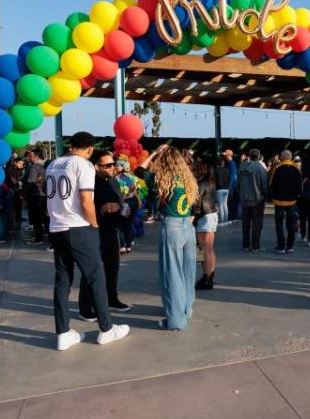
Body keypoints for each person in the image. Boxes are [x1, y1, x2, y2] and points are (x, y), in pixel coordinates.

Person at [44, 132, 129, 350]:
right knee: (96, 277)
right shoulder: (84, 165)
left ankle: (63, 332)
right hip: (78, 227)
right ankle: (107, 329)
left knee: (62, 280)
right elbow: (85, 200)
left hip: (56, 227)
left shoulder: (54, 164)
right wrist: (94, 224)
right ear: (90, 149)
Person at [139, 145, 199, 330]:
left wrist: (155, 152)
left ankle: (176, 321)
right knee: (188, 272)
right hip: (188, 227)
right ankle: (186, 309)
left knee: (172, 274)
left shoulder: (161, 179)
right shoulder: (187, 179)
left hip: (172, 226)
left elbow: (139, 169)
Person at [93, 152, 131, 312]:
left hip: (112, 229)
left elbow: (120, 201)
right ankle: (89, 305)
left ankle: (112, 299)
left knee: (112, 267)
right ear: (96, 166)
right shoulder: (90, 182)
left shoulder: (114, 181)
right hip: (95, 230)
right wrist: (102, 208)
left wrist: (125, 209)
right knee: (93, 270)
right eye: (107, 165)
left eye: (113, 164)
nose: (112, 167)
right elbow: (82, 206)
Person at [189, 157, 220, 289]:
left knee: (204, 249)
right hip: (211, 215)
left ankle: (207, 278)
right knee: (207, 249)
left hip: (204, 217)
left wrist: (191, 219)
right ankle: (208, 275)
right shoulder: (210, 182)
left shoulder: (201, 184)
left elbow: (197, 204)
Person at [269, 150, 302, 254]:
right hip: (292, 201)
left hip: (278, 202)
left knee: (279, 224)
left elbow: (271, 184)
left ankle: (281, 246)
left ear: (282, 158)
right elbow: (300, 187)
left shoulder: (277, 169)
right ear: (291, 158)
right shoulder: (296, 169)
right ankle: (290, 246)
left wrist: (272, 197)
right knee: (291, 224)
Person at [237, 148, 269, 252]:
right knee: (257, 224)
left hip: (244, 200)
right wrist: (266, 195)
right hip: (257, 200)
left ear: (249, 156)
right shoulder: (261, 169)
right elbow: (264, 185)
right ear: (259, 157)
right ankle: (255, 246)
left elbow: (238, 184)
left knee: (245, 223)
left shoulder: (241, 167)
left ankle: (245, 245)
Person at [23, 148, 49, 244]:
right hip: (44, 194)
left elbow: (31, 182)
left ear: (35, 156)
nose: (29, 157)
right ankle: (46, 236)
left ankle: (39, 238)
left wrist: (25, 194)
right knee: (45, 218)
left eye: (30, 155)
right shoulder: (46, 166)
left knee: (36, 218)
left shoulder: (34, 167)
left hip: (34, 195)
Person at [213, 156, 231, 226]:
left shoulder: (215, 170)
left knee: (220, 206)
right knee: (225, 205)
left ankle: (222, 221)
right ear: (222, 163)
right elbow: (229, 179)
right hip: (226, 189)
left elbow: (213, 181)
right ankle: (226, 220)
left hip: (219, 189)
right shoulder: (227, 170)